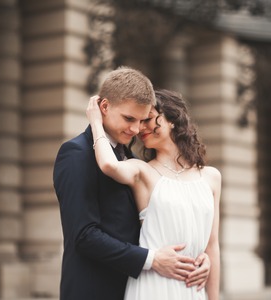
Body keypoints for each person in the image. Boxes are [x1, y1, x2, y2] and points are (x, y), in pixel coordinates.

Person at [53, 67, 210, 300]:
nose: (136, 129)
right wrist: (151, 259)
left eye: (141, 120)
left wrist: (197, 256)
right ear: (103, 107)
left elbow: (154, 225)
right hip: (95, 291)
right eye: (129, 119)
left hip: (139, 289)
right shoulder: (75, 153)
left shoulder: (134, 161)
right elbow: (84, 235)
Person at [86, 89, 221, 300]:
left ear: (173, 120)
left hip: (193, 288)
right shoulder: (142, 171)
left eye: (147, 119)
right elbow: (108, 164)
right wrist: (96, 123)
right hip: (153, 285)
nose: (140, 128)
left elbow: (212, 245)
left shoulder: (211, 177)